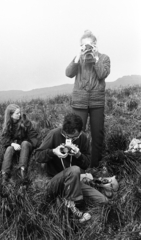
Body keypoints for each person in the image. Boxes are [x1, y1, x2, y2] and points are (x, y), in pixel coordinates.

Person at [34, 113, 108, 223]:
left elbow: (86, 164)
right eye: (66, 137)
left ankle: (76, 207)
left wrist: (79, 155)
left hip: (74, 181)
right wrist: (53, 152)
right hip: (54, 181)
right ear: (63, 130)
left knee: (104, 201)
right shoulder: (54, 134)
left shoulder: (83, 138)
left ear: (80, 131)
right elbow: (37, 156)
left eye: (74, 137)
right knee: (74, 170)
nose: (70, 140)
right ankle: (76, 210)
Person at [65, 30, 111, 168]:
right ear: (80, 46)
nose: (87, 48)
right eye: (84, 45)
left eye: (90, 45)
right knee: (76, 133)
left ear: (95, 45)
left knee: (97, 135)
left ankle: (94, 166)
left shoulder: (104, 58)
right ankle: (76, 165)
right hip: (79, 102)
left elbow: (103, 73)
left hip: (96, 102)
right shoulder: (78, 59)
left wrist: (96, 57)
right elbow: (68, 73)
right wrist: (78, 56)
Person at [0, 103, 39, 184]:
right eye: (17, 113)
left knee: (24, 143)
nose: (19, 115)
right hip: (16, 147)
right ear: (11, 115)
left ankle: (23, 172)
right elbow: (4, 139)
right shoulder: (8, 124)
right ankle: (4, 176)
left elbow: (33, 135)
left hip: (27, 146)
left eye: (19, 112)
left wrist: (37, 146)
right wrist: (12, 144)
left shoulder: (25, 121)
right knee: (9, 148)